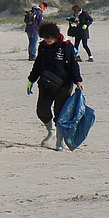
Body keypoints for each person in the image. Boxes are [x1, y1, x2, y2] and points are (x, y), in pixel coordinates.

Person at [27, 21, 84, 151]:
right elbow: (38, 64)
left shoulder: (66, 46)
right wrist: (31, 80)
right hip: (46, 84)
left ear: (55, 36)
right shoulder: (42, 47)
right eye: (44, 38)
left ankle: (60, 140)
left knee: (60, 113)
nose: (46, 40)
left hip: (63, 85)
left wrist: (78, 81)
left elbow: (73, 65)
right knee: (42, 110)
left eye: (48, 38)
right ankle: (51, 131)